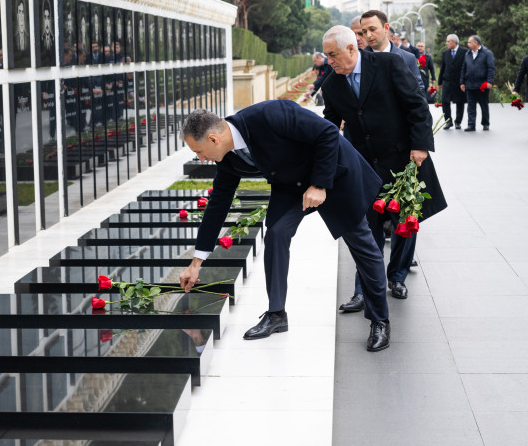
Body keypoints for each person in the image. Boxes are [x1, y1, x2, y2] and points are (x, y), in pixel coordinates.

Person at [179, 103, 393, 352]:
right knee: (277, 234)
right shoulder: (227, 158)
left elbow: (327, 133)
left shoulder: (270, 114)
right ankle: (276, 314)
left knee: (361, 243)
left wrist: (319, 184)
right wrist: (196, 262)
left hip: (333, 174)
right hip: (292, 186)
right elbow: (217, 204)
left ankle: (380, 320)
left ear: (213, 138)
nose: (201, 159)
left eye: (199, 151)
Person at [321, 26, 446, 309]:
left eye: (333, 55)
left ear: (352, 49)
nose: (329, 61)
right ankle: (362, 290)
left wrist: (420, 146)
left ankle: (397, 276)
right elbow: (329, 127)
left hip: (403, 159)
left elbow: (416, 105)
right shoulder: (331, 84)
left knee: (405, 223)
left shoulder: (389, 64)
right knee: (367, 229)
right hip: (364, 166)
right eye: (327, 56)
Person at [357, 10, 425, 94]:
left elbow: (419, 92)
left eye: (372, 29)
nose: (368, 35)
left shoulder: (408, 58)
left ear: (386, 28)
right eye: (364, 32)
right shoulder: (358, 59)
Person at [459, 35, 495, 131]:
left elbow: (491, 68)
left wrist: (490, 81)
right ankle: (471, 125)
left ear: (476, 43)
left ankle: (485, 123)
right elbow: (464, 68)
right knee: (470, 106)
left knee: (484, 105)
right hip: (470, 84)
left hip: (482, 84)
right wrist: (462, 82)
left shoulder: (487, 53)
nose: (467, 44)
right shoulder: (468, 54)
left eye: (469, 42)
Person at [438, 34, 468, 129]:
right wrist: (440, 82)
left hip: (459, 82)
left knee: (460, 102)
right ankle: (448, 121)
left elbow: (467, 67)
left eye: (448, 41)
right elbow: (443, 68)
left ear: (454, 42)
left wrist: (464, 81)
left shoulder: (464, 52)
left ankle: (458, 122)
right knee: (445, 101)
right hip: (447, 81)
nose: (446, 43)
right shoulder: (445, 53)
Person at [13, 0, 30, 66]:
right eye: (19, 12)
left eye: (23, 12)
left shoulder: (29, 37)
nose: (21, 15)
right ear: (16, 15)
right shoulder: (13, 38)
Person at [40, 0, 55, 65]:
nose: (47, 21)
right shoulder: (41, 39)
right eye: (45, 17)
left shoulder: (53, 38)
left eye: (48, 17)